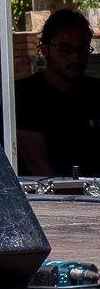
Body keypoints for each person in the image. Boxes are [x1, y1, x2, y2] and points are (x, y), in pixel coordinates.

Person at [16, 9, 100, 177]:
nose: (75, 57)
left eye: (82, 48)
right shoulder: (25, 95)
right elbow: (37, 163)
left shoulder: (96, 92)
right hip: (46, 199)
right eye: (64, 49)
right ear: (45, 50)